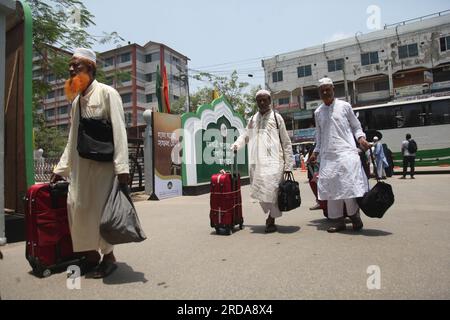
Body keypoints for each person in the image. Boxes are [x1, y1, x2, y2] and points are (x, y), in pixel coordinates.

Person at [50, 48, 130, 278]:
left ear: (91, 69)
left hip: (103, 168)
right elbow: (72, 139)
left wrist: (121, 168)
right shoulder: (75, 102)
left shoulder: (108, 93)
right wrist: (61, 169)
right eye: (71, 66)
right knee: (77, 207)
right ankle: (91, 255)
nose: (72, 69)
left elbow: (119, 131)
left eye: (78, 65)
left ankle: (109, 257)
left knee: (101, 212)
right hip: (80, 169)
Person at [308, 78, 370, 233]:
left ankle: (355, 216)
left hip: (346, 153)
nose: (325, 92)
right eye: (322, 90)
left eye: (327, 89)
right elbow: (319, 135)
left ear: (333, 89)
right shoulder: (318, 112)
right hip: (328, 156)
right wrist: (315, 152)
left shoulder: (345, 106)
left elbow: (356, 126)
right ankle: (338, 221)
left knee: (349, 187)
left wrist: (361, 139)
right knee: (331, 190)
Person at [231, 89, 294, 233]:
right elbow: (246, 136)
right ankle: (271, 216)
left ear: (270, 101)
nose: (262, 102)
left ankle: (271, 219)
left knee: (272, 191)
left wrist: (289, 165)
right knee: (261, 192)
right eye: (259, 100)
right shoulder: (253, 119)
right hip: (257, 163)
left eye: (265, 99)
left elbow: (286, 142)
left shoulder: (277, 118)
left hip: (274, 162)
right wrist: (236, 145)